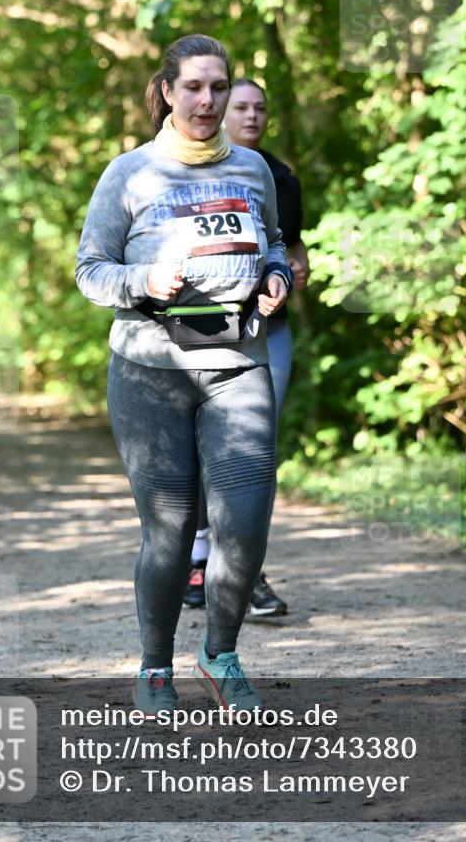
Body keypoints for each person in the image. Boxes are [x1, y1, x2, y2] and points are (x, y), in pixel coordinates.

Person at [76, 34, 293, 714]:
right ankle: (154, 665)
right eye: (193, 87)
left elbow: (275, 241)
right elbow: (90, 269)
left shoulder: (253, 169)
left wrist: (276, 274)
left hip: (236, 364)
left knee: (245, 523)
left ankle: (219, 652)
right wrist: (145, 278)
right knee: (168, 530)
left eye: (218, 87)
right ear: (167, 91)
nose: (207, 100)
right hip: (150, 370)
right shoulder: (129, 174)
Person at [184, 79, 309, 616]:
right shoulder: (186, 171)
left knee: (254, 451)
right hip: (197, 329)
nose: (252, 116)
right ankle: (195, 561)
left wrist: (298, 261)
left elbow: (288, 239)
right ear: (218, 112)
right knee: (196, 445)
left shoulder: (280, 178)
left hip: (264, 329)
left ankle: (247, 572)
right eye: (242, 107)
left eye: (261, 107)